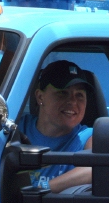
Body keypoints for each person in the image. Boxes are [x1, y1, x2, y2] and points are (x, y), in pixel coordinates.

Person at [14, 60, 95, 193]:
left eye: (79, 95)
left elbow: (93, 168)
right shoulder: (17, 128)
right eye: (63, 92)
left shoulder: (88, 136)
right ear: (40, 97)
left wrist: (43, 189)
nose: (73, 101)